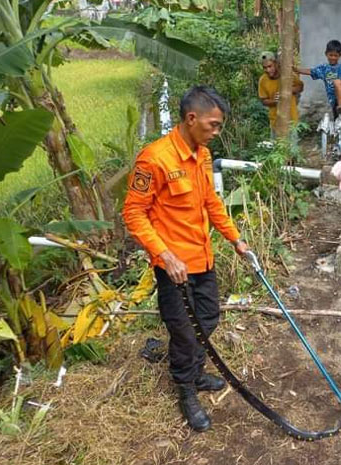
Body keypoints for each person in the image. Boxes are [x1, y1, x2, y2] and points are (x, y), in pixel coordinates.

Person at [123, 86, 250, 433]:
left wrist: (235, 238)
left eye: (219, 126)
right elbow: (134, 214)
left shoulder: (203, 155)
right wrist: (164, 254)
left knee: (208, 320)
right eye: (213, 124)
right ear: (191, 118)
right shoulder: (155, 159)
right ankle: (185, 389)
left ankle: (194, 371)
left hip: (202, 259)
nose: (216, 131)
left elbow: (211, 202)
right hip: (173, 267)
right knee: (183, 330)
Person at [294, 39, 341, 117]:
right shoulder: (324, 68)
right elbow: (311, 71)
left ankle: (340, 106)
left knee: (337, 82)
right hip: (332, 99)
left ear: (340, 55)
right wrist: (297, 70)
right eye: (331, 55)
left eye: (335, 55)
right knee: (338, 120)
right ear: (326, 54)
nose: (333, 57)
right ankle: (338, 110)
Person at [257, 52, 304, 138]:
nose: (267, 70)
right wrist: (275, 101)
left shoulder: (287, 75)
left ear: (276, 63)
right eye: (265, 68)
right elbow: (263, 100)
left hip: (291, 120)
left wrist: (288, 91)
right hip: (275, 122)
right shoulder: (263, 80)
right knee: (277, 149)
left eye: (270, 66)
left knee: (292, 149)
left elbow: (300, 87)